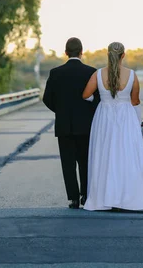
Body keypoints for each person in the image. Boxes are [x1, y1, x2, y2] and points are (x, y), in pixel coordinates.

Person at [81, 42, 143, 211]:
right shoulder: (132, 75)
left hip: (104, 118)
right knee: (126, 156)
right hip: (126, 119)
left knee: (105, 155)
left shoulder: (98, 74)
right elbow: (135, 101)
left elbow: (86, 95)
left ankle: (104, 198)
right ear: (124, 55)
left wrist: (100, 101)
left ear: (107, 54)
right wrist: (137, 122)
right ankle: (128, 199)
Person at [43, 37, 99, 209]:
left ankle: (73, 198)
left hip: (64, 125)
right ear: (82, 52)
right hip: (86, 126)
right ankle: (86, 195)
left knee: (68, 163)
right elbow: (97, 99)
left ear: (66, 52)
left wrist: (60, 112)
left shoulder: (55, 72)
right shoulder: (91, 72)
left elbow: (47, 99)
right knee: (85, 162)